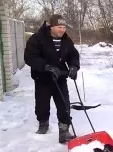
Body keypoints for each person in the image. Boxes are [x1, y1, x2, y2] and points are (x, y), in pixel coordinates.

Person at [24, 14, 80, 144]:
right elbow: (30, 57)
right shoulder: (37, 39)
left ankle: (64, 130)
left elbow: (73, 54)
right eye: (59, 27)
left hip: (60, 78)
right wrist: (46, 66)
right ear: (51, 27)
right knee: (42, 104)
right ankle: (43, 123)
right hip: (42, 78)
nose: (62, 30)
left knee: (64, 103)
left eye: (64, 27)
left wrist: (74, 66)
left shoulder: (66, 40)